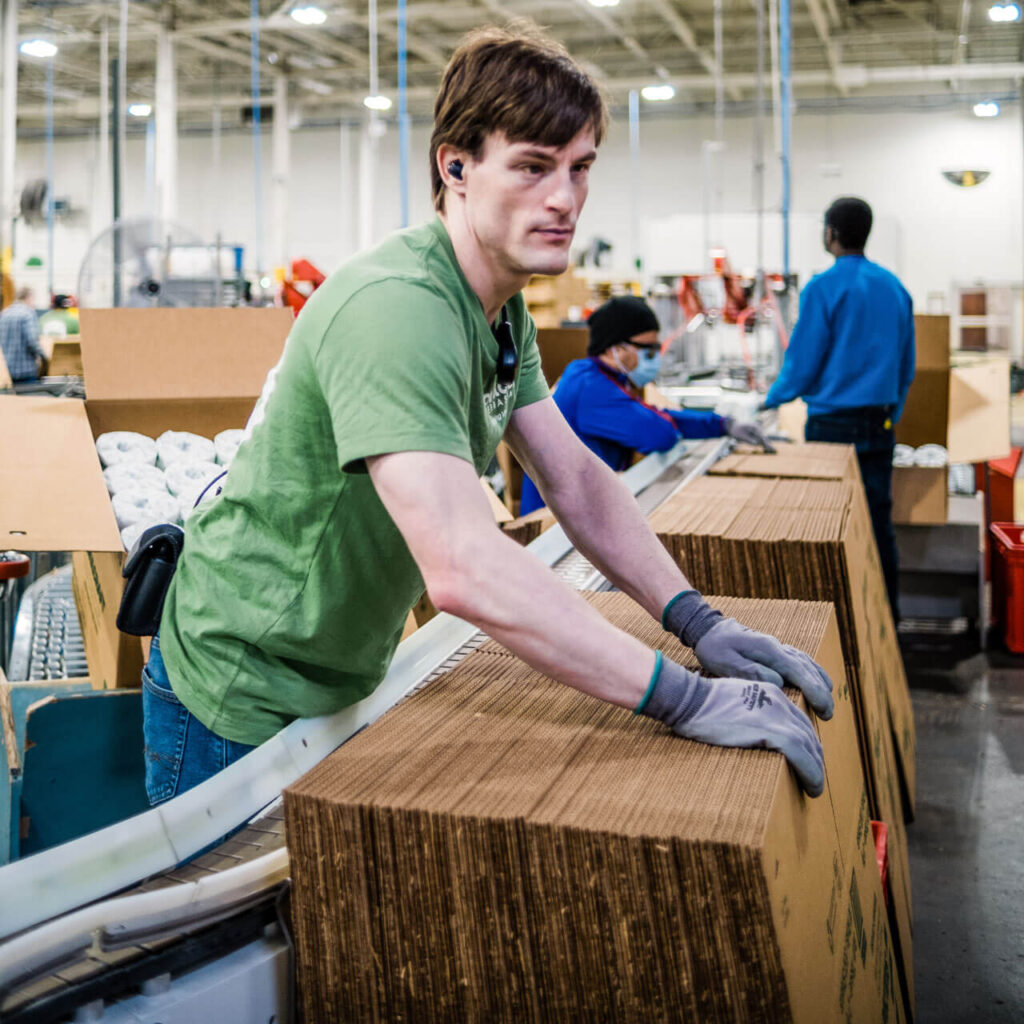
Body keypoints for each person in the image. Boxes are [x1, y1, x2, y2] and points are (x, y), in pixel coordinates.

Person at [144, 24, 834, 810]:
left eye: (580, 170)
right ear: (457, 166)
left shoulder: (499, 312)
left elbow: (574, 476)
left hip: (333, 668)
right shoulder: (398, 311)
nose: (564, 199)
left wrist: (697, 620)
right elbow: (462, 566)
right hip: (243, 683)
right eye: (534, 167)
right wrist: (682, 698)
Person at [763, 197, 914, 620]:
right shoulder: (894, 287)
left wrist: (770, 399)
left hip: (831, 426)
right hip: (879, 424)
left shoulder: (823, 288)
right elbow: (906, 365)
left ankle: (839, 620)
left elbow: (803, 364)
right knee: (879, 525)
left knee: (829, 526)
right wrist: (890, 414)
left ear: (830, 232)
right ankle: (886, 622)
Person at [519, 295, 772, 515]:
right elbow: (659, 434)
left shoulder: (603, 377)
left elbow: (654, 415)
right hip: (553, 525)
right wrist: (669, 421)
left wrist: (723, 424)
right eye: (647, 351)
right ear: (616, 348)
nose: (654, 358)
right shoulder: (591, 388)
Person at [0, 286, 45, 383]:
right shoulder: (27, 314)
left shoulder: (4, 313)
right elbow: (33, 341)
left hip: (7, 372)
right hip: (26, 372)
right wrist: (44, 357)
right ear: (29, 297)